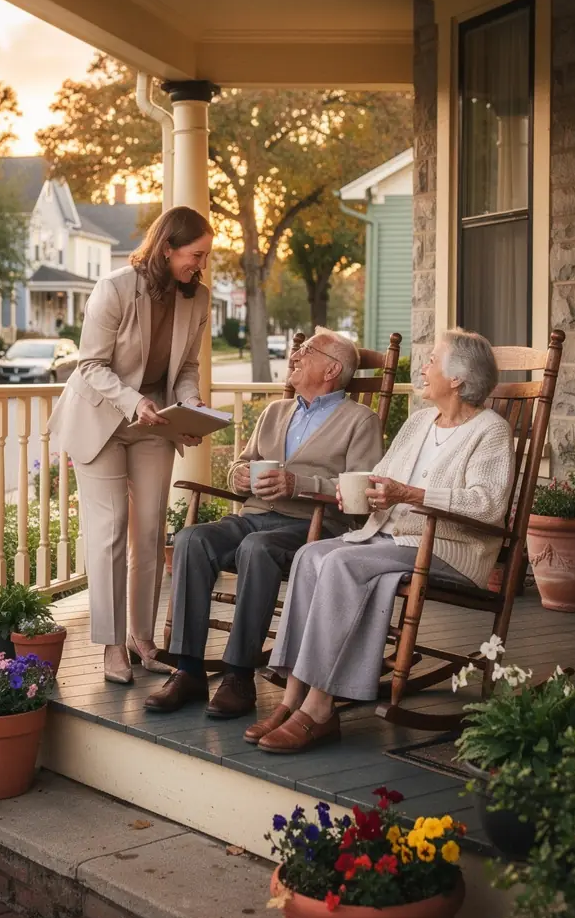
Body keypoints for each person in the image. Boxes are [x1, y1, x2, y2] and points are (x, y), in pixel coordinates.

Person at [247, 329, 514, 754]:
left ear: (459, 378)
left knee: (342, 564)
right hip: (389, 537)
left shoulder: (490, 432)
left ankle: (319, 709)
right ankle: (293, 697)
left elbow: (486, 505)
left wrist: (409, 495)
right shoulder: (419, 422)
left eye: (432, 360)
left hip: (448, 550)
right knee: (312, 554)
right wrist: (360, 492)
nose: (423, 367)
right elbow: (381, 478)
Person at [145, 328, 384, 718]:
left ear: (331, 369)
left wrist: (298, 484)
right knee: (192, 539)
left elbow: (361, 495)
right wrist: (238, 475)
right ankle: (188, 670)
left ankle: (239, 676)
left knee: (257, 549)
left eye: (306, 351)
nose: (295, 357)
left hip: (314, 527)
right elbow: (244, 460)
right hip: (254, 515)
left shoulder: (361, 421)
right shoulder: (276, 411)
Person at [48, 206, 213, 685]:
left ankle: (143, 638)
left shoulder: (198, 299)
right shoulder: (116, 288)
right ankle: (111, 645)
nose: (199, 265)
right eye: (195, 255)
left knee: (149, 530)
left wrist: (192, 405)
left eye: (204, 257)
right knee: (111, 527)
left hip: (153, 422)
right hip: (100, 417)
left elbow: (183, 369)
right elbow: (90, 365)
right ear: (167, 247)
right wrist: (134, 400)